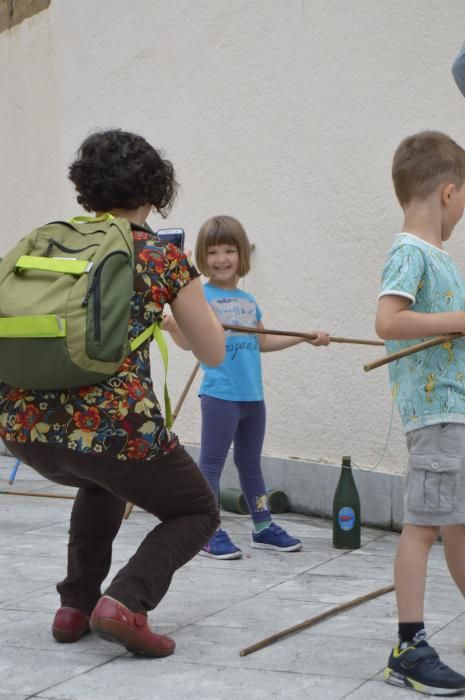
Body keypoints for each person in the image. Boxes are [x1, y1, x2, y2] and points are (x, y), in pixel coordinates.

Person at [0, 129, 225, 657]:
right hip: (113, 429)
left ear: (87, 190)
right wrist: (180, 317)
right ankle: (126, 600)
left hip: (23, 424)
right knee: (197, 510)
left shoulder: (48, 239)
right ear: (153, 191)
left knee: (101, 483)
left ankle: (75, 605)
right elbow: (212, 352)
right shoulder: (160, 255)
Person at [162, 215, 330, 559]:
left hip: (253, 397)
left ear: (241, 255)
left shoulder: (248, 301)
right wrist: (171, 327)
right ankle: (208, 532)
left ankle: (263, 526)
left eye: (228, 250)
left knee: (250, 464)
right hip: (220, 396)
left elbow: (264, 341)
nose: (221, 259)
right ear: (202, 258)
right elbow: (188, 343)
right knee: (211, 465)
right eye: (212, 252)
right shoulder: (199, 296)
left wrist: (304, 338)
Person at [376, 131, 465, 695]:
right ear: (449, 194)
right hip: (433, 413)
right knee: (425, 526)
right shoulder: (411, 251)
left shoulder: (436, 256)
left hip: (452, 410)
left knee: (458, 522)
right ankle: (408, 645)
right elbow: (388, 322)